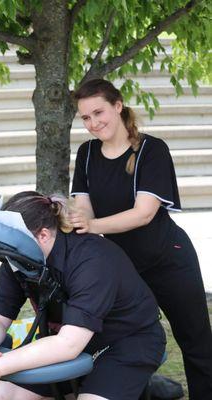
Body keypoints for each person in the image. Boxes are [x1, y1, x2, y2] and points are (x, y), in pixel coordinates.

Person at [70, 78, 212, 400]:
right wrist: (80, 219)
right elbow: (83, 203)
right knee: (122, 340)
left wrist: (91, 226)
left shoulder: (152, 150)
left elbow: (143, 213)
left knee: (196, 342)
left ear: (118, 106)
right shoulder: (86, 153)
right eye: (86, 118)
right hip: (122, 269)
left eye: (99, 112)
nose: (93, 123)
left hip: (168, 260)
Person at [0, 191, 166, 400]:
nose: (9, 251)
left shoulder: (92, 259)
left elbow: (69, 345)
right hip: (73, 339)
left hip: (127, 341)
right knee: (6, 393)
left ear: (43, 234)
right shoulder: (16, 256)